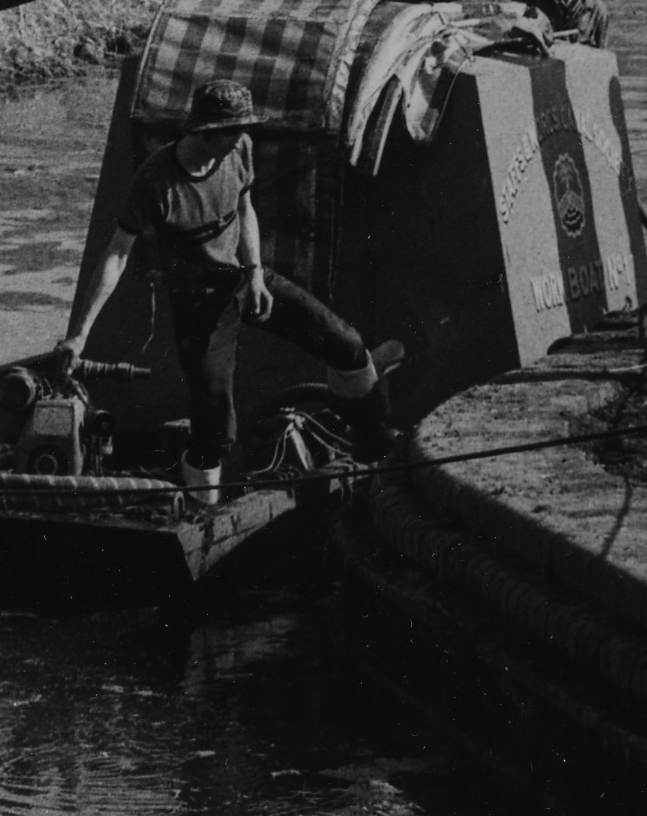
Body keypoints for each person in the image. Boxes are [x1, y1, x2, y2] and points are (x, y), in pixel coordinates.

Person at [59, 79, 397, 502]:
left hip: (244, 279)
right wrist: (80, 333)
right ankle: (201, 513)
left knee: (345, 343)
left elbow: (244, 207)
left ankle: (377, 447)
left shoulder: (239, 150)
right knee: (216, 433)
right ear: (204, 132)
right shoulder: (156, 181)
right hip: (200, 308)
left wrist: (255, 272)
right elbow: (116, 255)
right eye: (233, 129)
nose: (242, 137)